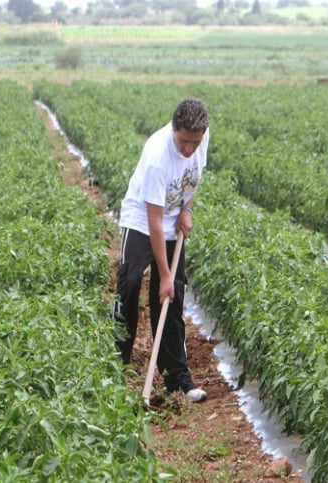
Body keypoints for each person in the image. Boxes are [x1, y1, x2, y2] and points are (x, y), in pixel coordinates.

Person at [113, 97, 210, 403]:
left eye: (194, 143)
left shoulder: (201, 138)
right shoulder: (157, 157)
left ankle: (177, 379)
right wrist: (164, 273)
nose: (188, 149)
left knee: (171, 297)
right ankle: (115, 370)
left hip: (171, 219)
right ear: (173, 130)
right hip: (142, 221)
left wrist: (187, 210)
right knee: (129, 286)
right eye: (183, 142)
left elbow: (192, 180)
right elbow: (155, 223)